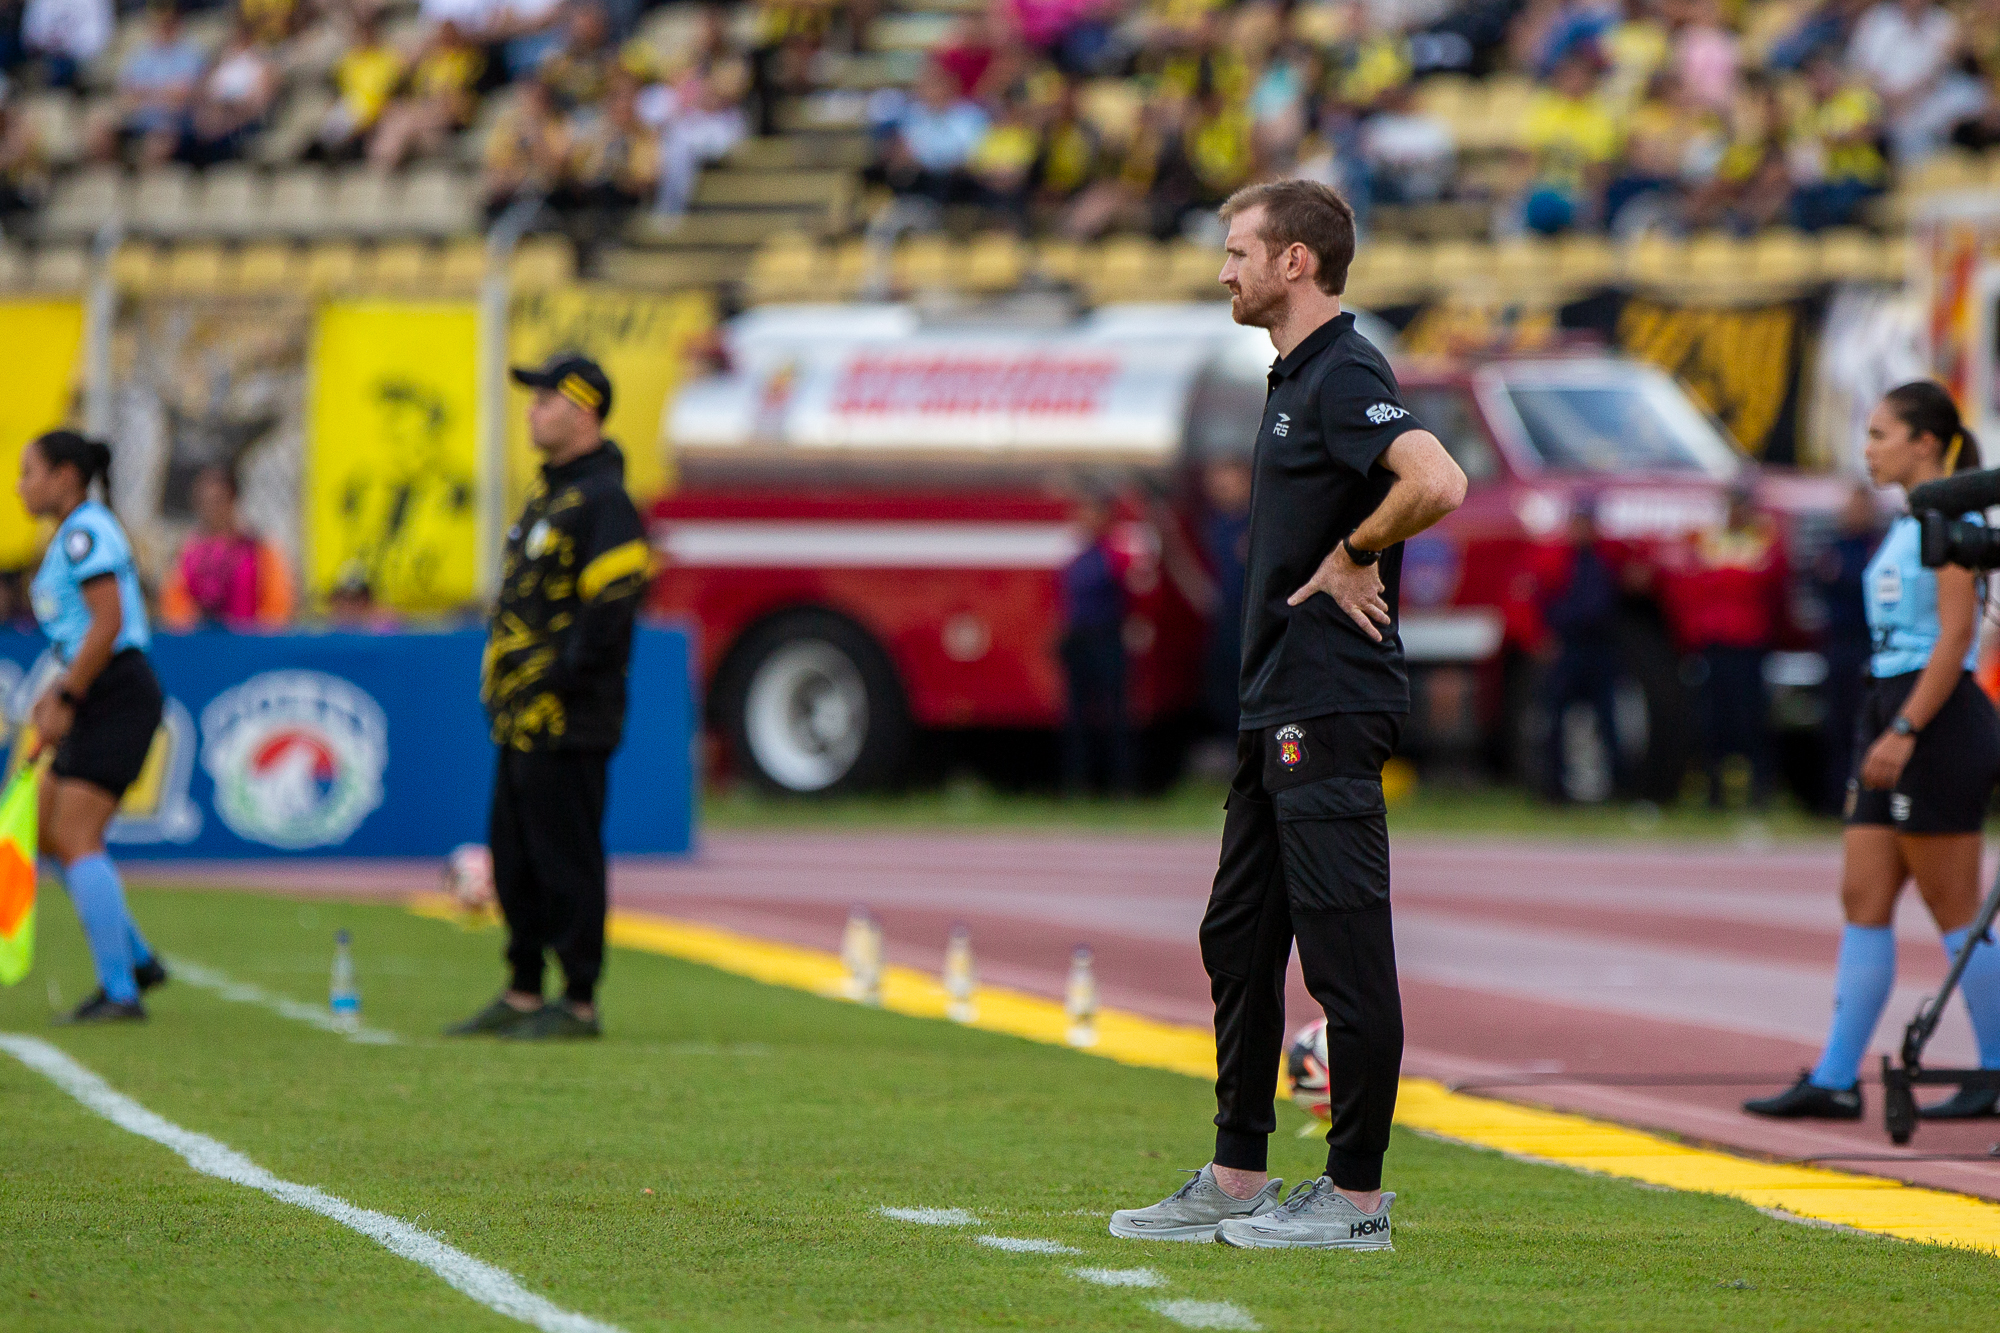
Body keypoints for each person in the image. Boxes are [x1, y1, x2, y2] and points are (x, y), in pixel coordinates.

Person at [1110, 179, 1466, 1249]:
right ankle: (1235, 1174)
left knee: (1343, 951)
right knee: (1238, 936)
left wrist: (1356, 551)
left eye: (1237, 252)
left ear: (1294, 262)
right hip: (1276, 702)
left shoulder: (1342, 369)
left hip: (1329, 699)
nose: (1223, 270)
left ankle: (1355, 1197)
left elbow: (1436, 477)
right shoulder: (1292, 376)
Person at [1746, 382, 2000, 1121]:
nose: (1868, 449)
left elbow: (1956, 638)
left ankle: (1992, 1070)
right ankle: (1834, 1076)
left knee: (1953, 903)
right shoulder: (1904, 518)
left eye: (1882, 434)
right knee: (1863, 895)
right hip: (1884, 706)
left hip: (1935, 718)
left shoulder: (1953, 515)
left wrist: (1908, 728)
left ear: (1927, 442)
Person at [447, 353, 649, 1041]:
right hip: (522, 717)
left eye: (545, 399)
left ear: (583, 409)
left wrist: (557, 679)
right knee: (518, 852)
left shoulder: (605, 501)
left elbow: (611, 611)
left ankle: (580, 997)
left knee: (567, 854)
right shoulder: (550, 496)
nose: (532, 411)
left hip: (566, 716)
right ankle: (526, 986)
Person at [16, 432, 167, 1024]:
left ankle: (121, 992)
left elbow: (109, 621)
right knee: (53, 834)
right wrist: (58, 694)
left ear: (65, 476)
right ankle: (138, 959)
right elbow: (83, 634)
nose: (22, 484)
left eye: (30, 471)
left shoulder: (85, 532)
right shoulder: (72, 535)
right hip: (96, 692)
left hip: (115, 694)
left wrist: (70, 695)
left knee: (77, 836)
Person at [1669, 485, 1786, 809]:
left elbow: (1775, 594)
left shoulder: (1763, 542)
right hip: (1716, 645)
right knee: (1713, 721)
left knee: (1751, 719)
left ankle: (1759, 791)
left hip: (1749, 644)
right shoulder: (1708, 542)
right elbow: (1690, 594)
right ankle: (1714, 793)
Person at [1537, 496, 1623, 801]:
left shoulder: (1606, 558)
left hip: (1599, 647)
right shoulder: (1557, 558)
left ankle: (1616, 787)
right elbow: (1539, 599)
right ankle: (1554, 788)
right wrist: (1543, 638)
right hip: (1568, 646)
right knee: (1556, 720)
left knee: (1608, 719)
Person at [1057, 489, 1133, 796]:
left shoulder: (1113, 554)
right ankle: (1079, 783)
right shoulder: (1075, 557)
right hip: (1079, 640)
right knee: (1076, 717)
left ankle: (1122, 784)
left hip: (1106, 637)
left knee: (1116, 714)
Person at [1813, 482, 1881, 813]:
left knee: (1866, 723)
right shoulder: (1836, 545)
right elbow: (1821, 580)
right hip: (1838, 643)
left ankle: (1867, 798)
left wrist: (1843, 576)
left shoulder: (1878, 546)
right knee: (1836, 724)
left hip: (1868, 645)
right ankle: (1834, 798)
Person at [159, 464, 294, 631]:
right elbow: (176, 608)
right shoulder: (187, 552)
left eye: (217, 501)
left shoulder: (260, 549)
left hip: (250, 643)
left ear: (232, 500)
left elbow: (276, 607)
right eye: (203, 502)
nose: (210, 510)